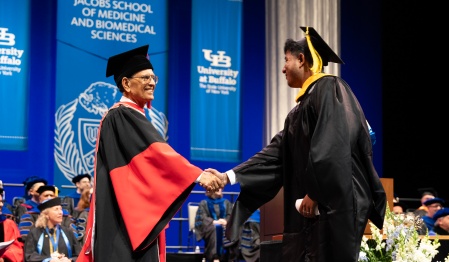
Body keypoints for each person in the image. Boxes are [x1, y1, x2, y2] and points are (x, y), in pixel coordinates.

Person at [207, 26, 386, 262]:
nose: (283, 68)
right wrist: (228, 176)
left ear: (302, 59)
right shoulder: (299, 110)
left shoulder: (330, 88)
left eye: (286, 60)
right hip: (315, 212)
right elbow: (275, 154)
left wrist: (315, 192)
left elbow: (333, 145)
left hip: (335, 206)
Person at [77, 44, 224, 262]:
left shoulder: (127, 115)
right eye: (145, 78)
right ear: (126, 83)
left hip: (130, 216)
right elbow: (155, 155)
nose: (152, 82)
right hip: (124, 221)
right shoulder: (121, 115)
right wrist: (198, 175)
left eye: (153, 77)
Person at [24, 197, 81, 262]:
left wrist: (70, 260)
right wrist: (48, 260)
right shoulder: (35, 233)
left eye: (61, 209)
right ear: (46, 214)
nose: (61, 212)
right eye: (56, 209)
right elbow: (29, 256)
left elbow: (79, 254)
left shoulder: (68, 232)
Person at [195, 188, 233, 262]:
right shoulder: (204, 203)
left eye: (220, 188)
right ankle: (215, 257)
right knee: (216, 229)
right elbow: (202, 218)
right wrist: (214, 221)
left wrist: (225, 221)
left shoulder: (226, 202)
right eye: (216, 187)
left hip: (225, 227)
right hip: (209, 228)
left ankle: (232, 258)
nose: (219, 189)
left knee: (235, 229)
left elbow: (231, 215)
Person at [0, 189, 24, 262]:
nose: (1, 205)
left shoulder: (9, 224)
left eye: (1, 202)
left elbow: (17, 247)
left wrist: (4, 257)